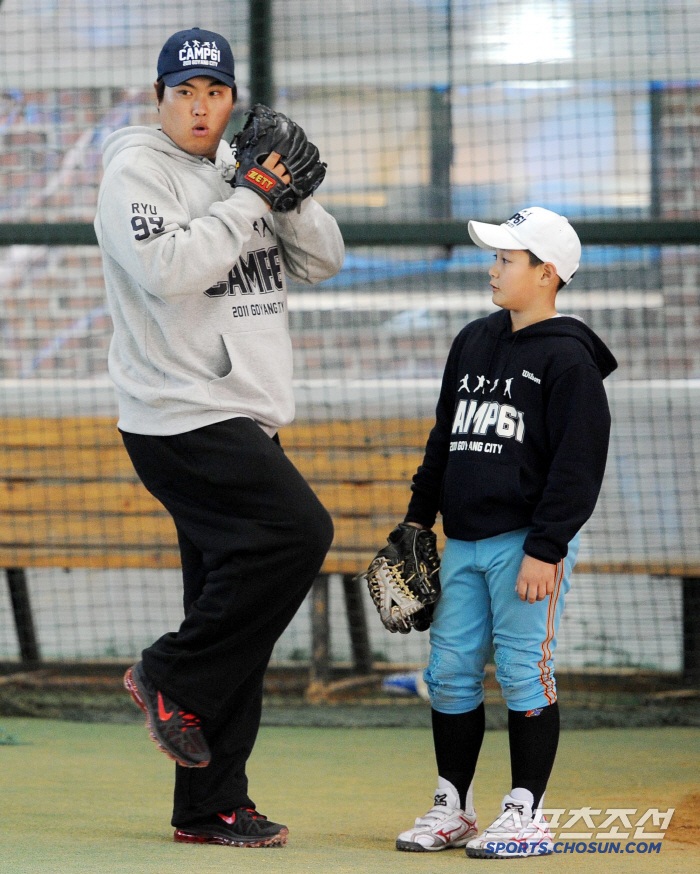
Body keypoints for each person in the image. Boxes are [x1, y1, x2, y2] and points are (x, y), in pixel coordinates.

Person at [94, 27, 344, 848]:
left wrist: (286, 195)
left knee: (230, 609)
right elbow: (169, 270)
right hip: (179, 413)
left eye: (216, 93)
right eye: (184, 92)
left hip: (241, 416)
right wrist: (247, 201)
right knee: (301, 533)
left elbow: (326, 259)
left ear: (233, 99)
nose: (201, 108)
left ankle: (209, 806)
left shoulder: (241, 171)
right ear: (158, 97)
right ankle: (166, 673)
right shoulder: (135, 170)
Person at [394, 207, 617, 859]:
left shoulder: (570, 359)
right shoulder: (472, 340)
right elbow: (446, 438)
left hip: (526, 546)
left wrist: (547, 546)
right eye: (494, 257)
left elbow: (579, 465)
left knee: (524, 672)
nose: (492, 269)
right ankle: (453, 806)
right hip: (460, 542)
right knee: (450, 671)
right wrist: (416, 522)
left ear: (546, 274)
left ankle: (525, 813)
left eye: (506, 259)